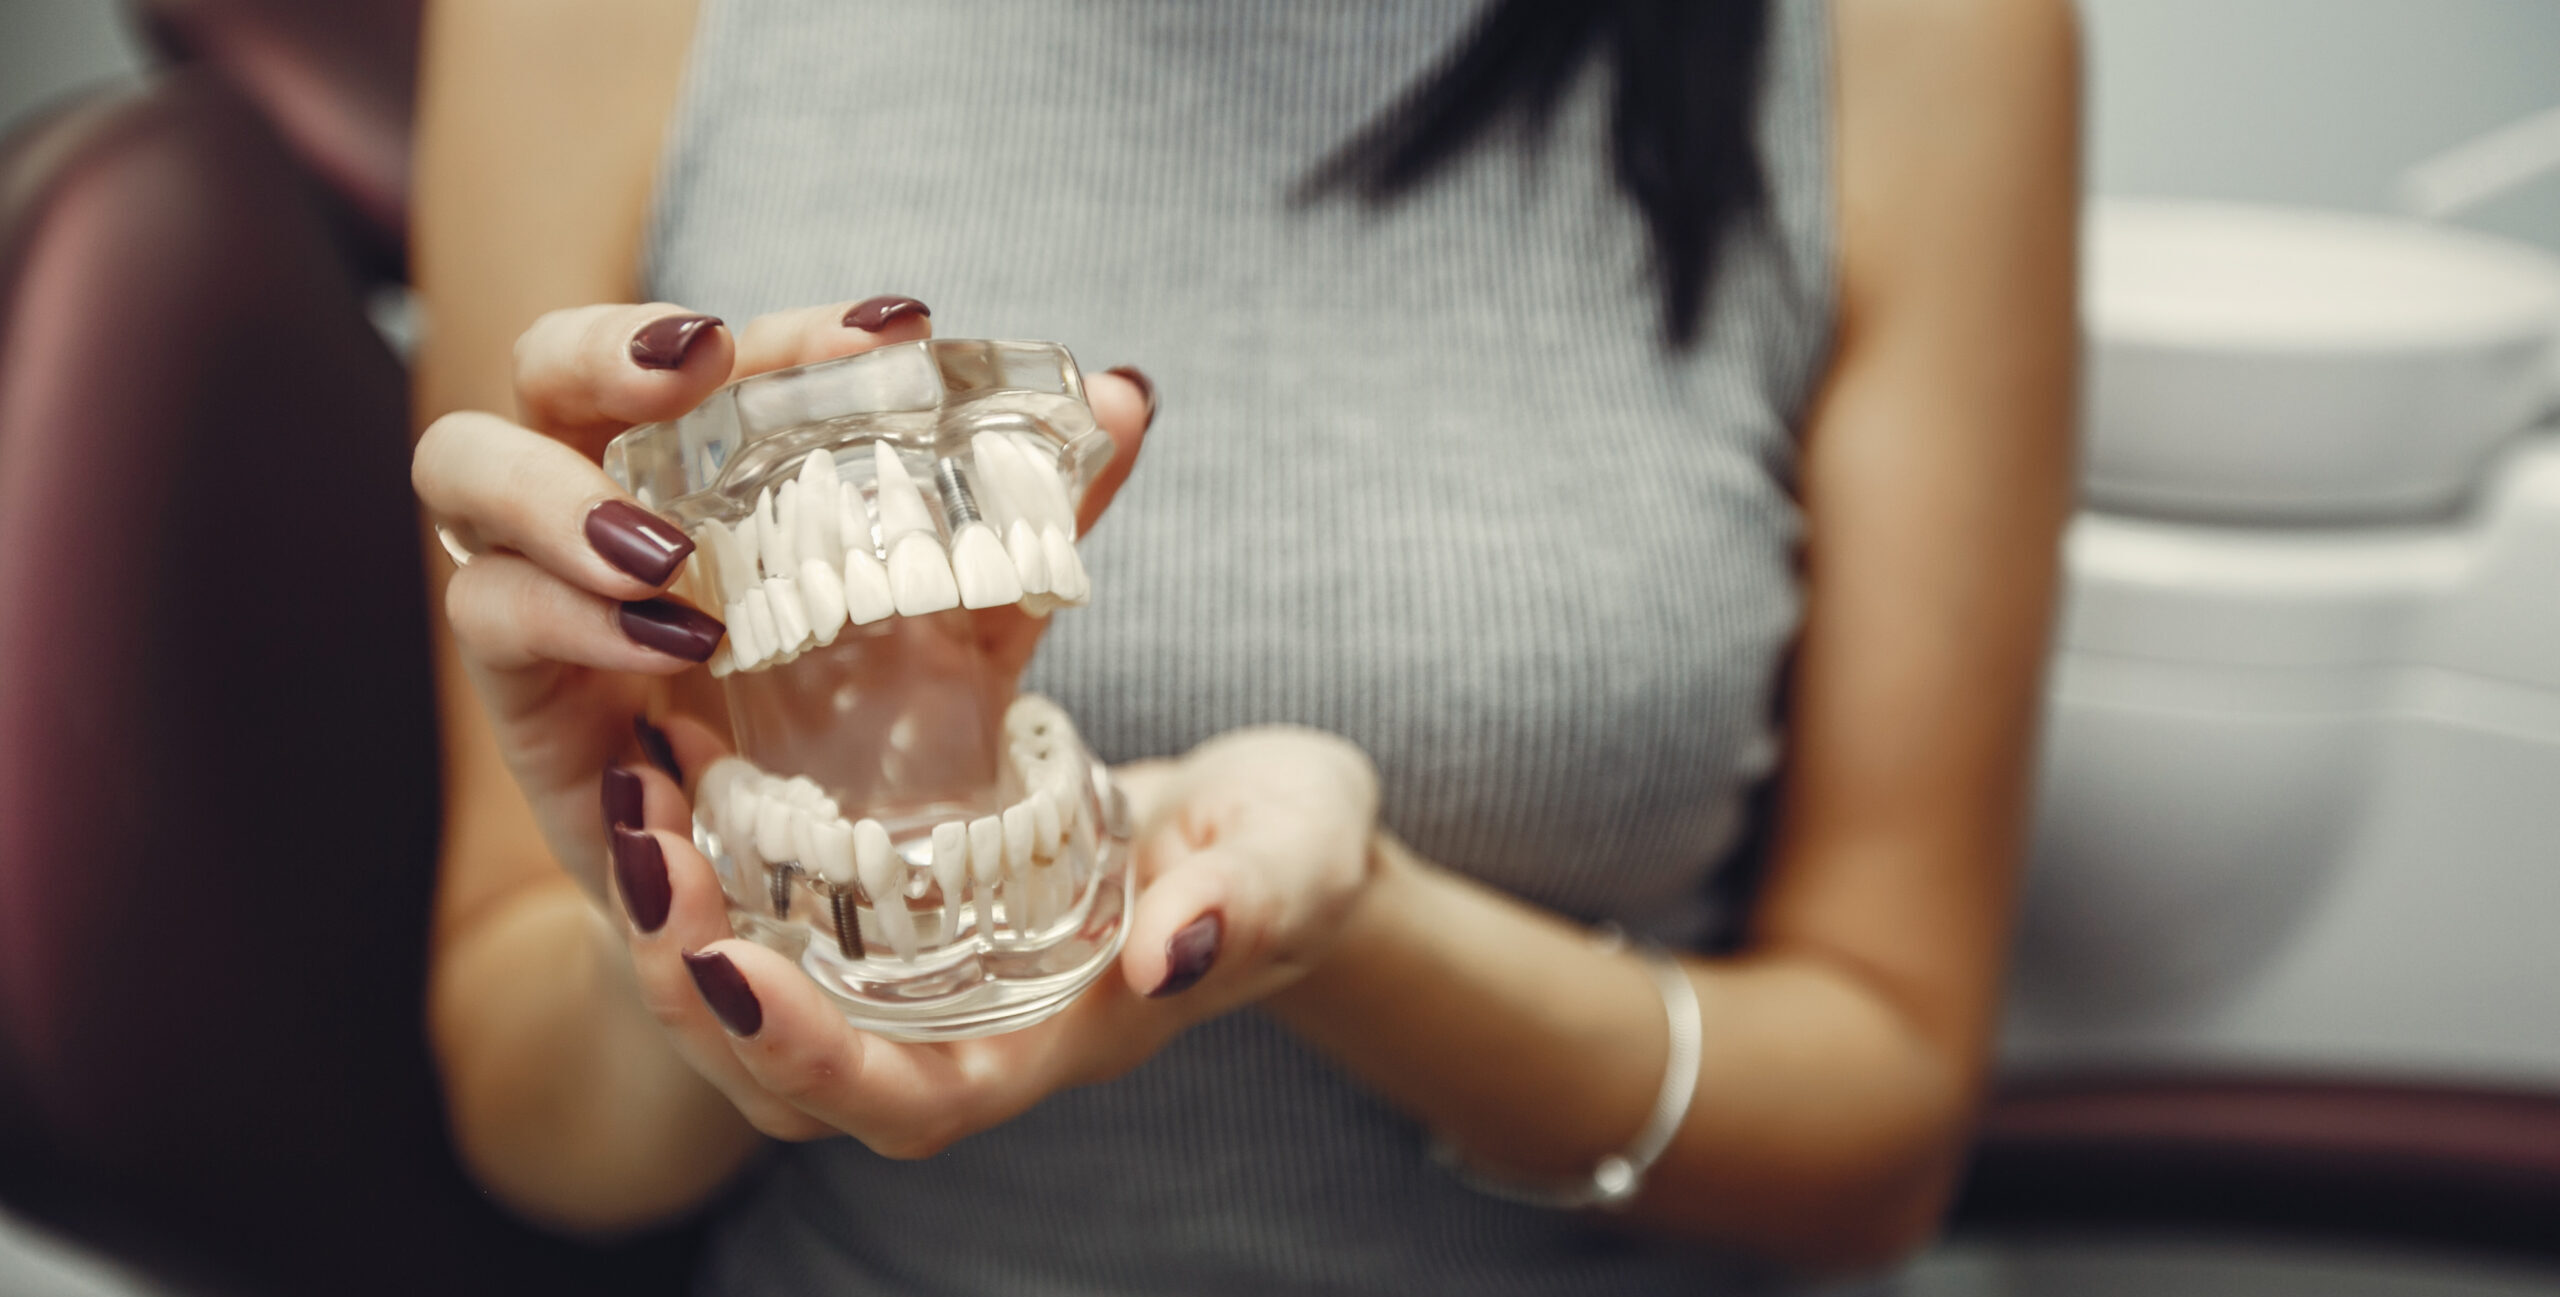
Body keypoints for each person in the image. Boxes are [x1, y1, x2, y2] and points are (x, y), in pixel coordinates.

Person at [408, 0, 2079, 1290]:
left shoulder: (1911, 43)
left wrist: (1360, 938)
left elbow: (1882, 1131)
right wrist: (714, 929)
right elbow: (524, 1112)